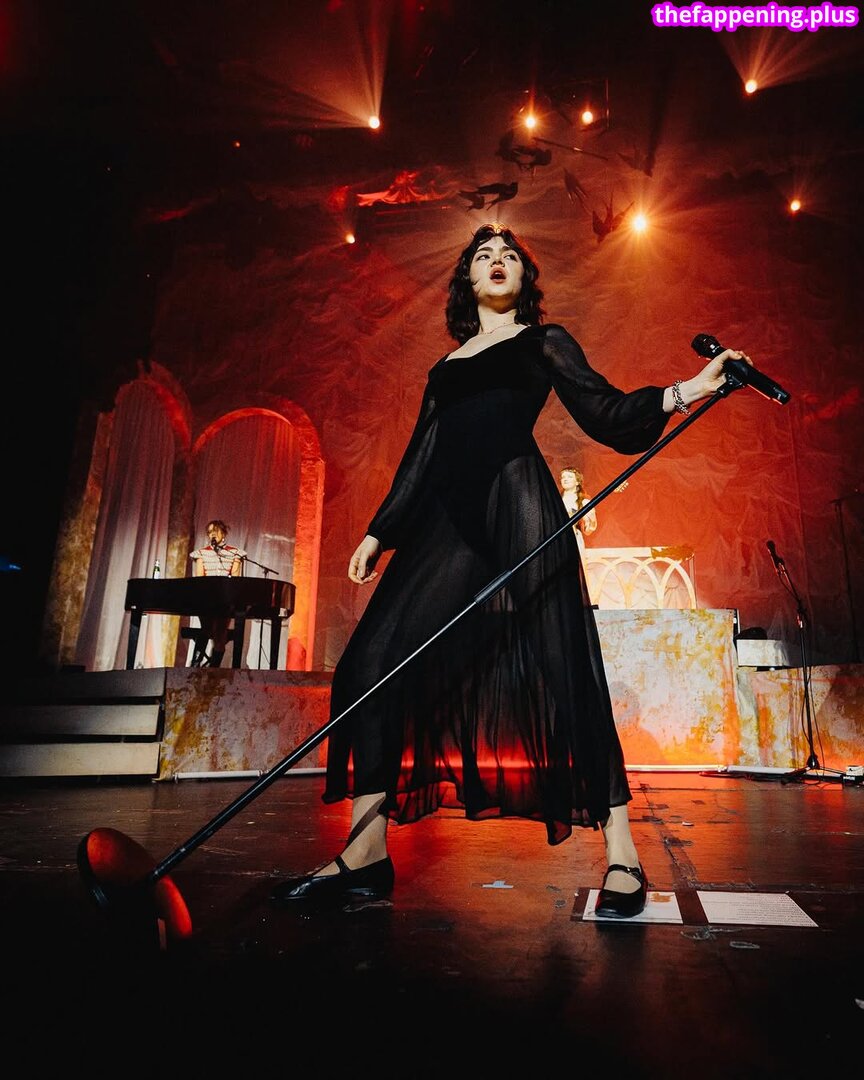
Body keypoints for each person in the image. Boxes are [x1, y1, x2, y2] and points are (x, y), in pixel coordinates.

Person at [270, 222, 751, 918]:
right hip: (451, 518)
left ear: (524, 278)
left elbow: (606, 409)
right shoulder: (447, 367)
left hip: (519, 500)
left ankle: (623, 853)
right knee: (369, 663)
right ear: (467, 279)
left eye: (510, 256)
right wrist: (380, 530)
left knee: (567, 668)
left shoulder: (543, 342)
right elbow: (422, 456)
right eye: (483, 255)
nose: (497, 261)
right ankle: (366, 854)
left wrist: (689, 390)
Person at [188, 519, 246, 667]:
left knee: (220, 634)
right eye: (209, 532)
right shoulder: (201, 553)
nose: (212, 534)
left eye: (215, 531)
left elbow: (235, 580)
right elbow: (199, 580)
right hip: (206, 600)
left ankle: (214, 669)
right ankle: (195, 666)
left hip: (225, 601)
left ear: (223, 533)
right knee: (206, 629)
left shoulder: (235, 553)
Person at [559, 466, 597, 553]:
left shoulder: (584, 502)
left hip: (573, 539)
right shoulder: (555, 499)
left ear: (577, 482)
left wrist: (590, 520)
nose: (565, 479)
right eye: (563, 477)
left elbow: (589, 530)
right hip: (557, 541)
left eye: (569, 477)